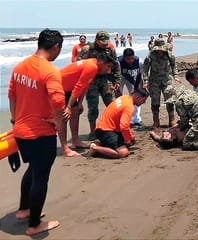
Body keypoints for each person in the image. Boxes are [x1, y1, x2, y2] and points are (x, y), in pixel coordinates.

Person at [7, 29, 64, 236]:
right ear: (56, 47)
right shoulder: (49, 70)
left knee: (31, 170)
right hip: (41, 133)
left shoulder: (19, 66)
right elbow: (58, 101)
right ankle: (34, 225)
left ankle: (24, 210)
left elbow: (11, 96)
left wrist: (15, 119)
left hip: (21, 132)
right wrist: (57, 120)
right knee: (40, 178)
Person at [59, 57, 114, 157]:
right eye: (108, 66)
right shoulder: (91, 67)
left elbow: (84, 85)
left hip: (69, 88)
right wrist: (69, 107)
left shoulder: (93, 65)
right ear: (101, 62)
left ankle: (75, 141)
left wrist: (79, 103)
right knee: (64, 116)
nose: (108, 70)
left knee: (76, 111)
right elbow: (78, 87)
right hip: (59, 87)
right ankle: (65, 148)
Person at [77, 30, 121, 140]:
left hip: (106, 80)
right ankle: (93, 131)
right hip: (91, 81)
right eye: (102, 42)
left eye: (106, 42)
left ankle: (113, 127)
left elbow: (116, 65)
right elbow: (78, 65)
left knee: (111, 105)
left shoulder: (110, 49)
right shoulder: (87, 49)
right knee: (93, 107)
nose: (104, 44)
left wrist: (117, 80)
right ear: (96, 40)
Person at [86, 88, 149, 158]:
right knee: (123, 153)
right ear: (137, 97)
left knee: (130, 140)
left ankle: (101, 144)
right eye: (143, 100)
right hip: (105, 130)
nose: (144, 102)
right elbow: (124, 126)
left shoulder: (124, 97)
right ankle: (95, 148)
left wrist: (130, 137)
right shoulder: (129, 106)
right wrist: (128, 139)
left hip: (104, 127)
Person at [163, 85, 198, 150]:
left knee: (186, 143)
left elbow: (184, 122)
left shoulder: (179, 102)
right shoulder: (189, 92)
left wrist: (175, 129)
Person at [143, 38, 179, 128]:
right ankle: (156, 121)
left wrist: (175, 75)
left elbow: (174, 65)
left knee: (170, 100)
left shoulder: (169, 55)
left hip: (167, 80)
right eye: (158, 49)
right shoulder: (150, 56)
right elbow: (145, 70)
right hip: (154, 81)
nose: (160, 50)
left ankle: (172, 120)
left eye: (161, 49)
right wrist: (146, 81)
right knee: (155, 101)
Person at [118, 48, 144, 126]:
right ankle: (120, 118)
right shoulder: (118, 62)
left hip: (133, 78)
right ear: (124, 57)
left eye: (132, 58)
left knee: (136, 97)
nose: (130, 60)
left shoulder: (139, 61)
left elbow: (140, 74)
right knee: (118, 97)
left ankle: (136, 119)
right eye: (128, 59)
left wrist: (137, 86)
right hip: (120, 78)